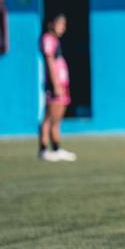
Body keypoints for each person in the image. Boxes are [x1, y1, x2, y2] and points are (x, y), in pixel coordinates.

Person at [38, 14, 77, 162]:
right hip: (55, 85)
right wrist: (55, 84)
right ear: (50, 24)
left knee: (57, 119)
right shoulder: (47, 38)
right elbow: (49, 61)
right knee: (50, 117)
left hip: (62, 84)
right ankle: (43, 150)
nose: (62, 27)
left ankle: (56, 149)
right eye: (59, 24)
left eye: (64, 25)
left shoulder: (55, 40)